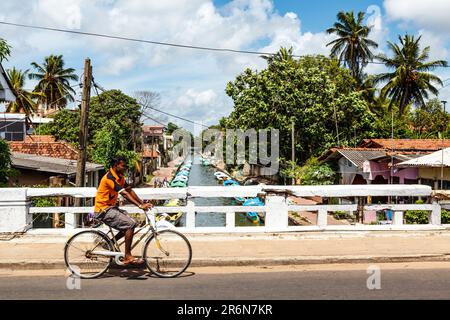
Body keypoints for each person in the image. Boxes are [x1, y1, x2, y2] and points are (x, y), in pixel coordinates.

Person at [94, 156, 153, 266]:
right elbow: (124, 194)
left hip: (110, 208)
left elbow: (129, 190)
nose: (125, 168)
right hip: (103, 210)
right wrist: (140, 205)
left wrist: (142, 203)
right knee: (129, 225)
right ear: (116, 166)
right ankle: (127, 256)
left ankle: (110, 243)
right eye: (123, 166)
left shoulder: (120, 177)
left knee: (132, 223)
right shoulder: (110, 178)